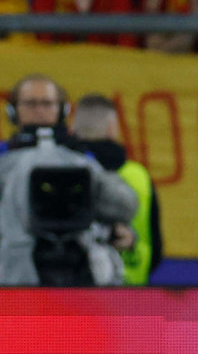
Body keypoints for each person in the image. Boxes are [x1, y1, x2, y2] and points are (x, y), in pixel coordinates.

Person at [0, 74, 137, 285]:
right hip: (15, 277)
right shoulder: (4, 160)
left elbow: (121, 206)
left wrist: (118, 230)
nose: (39, 110)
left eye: (47, 103)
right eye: (30, 103)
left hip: (79, 272)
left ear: (62, 110)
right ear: (13, 111)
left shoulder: (83, 160)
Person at [70, 94, 161, 286]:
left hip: (73, 290)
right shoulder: (139, 175)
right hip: (131, 294)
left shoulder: (61, 172)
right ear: (113, 128)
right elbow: (157, 246)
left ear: (73, 129)